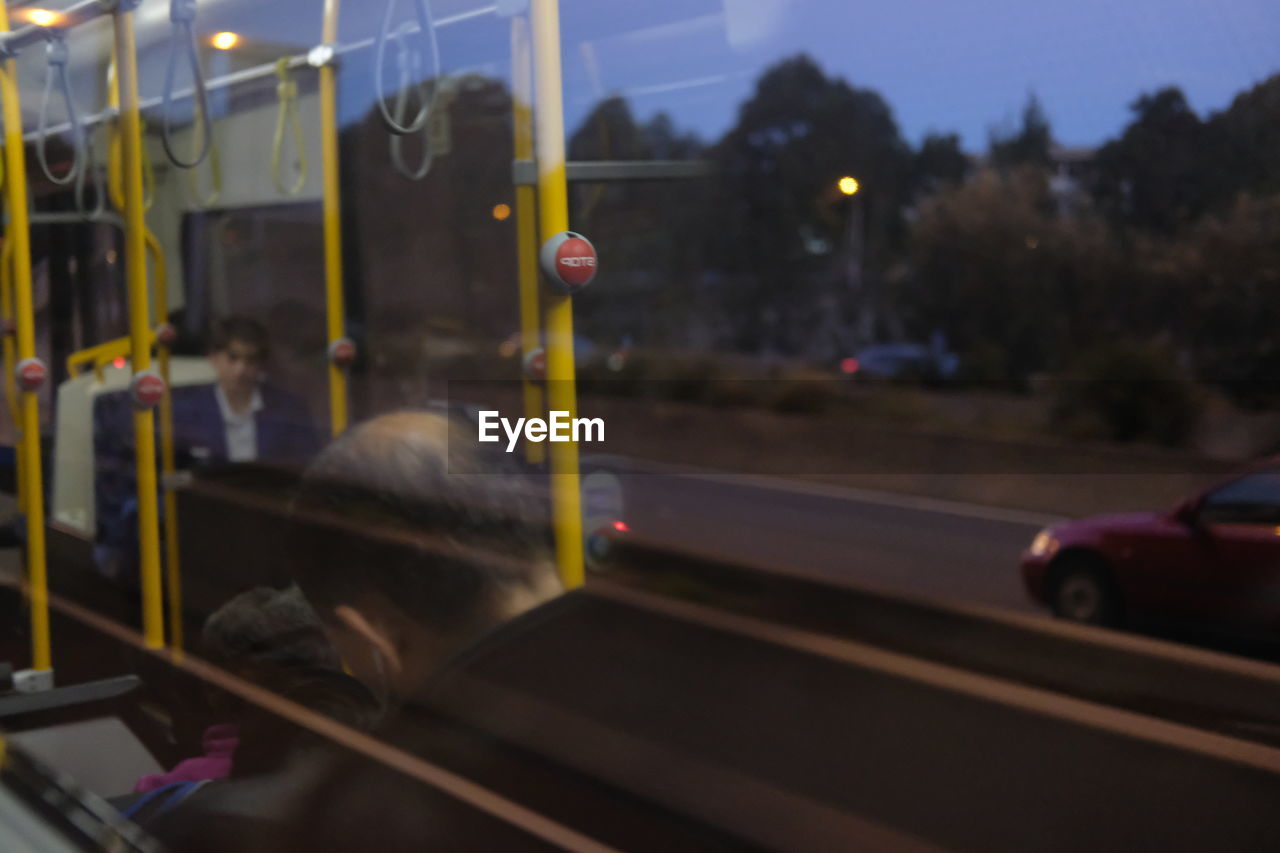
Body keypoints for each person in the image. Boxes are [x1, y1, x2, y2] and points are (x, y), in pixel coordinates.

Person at [93, 316, 320, 584]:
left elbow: (305, 468)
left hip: (267, 517)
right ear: (214, 359)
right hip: (209, 519)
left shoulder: (288, 409)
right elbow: (159, 471)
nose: (241, 370)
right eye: (232, 358)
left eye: (251, 360)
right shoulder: (183, 410)